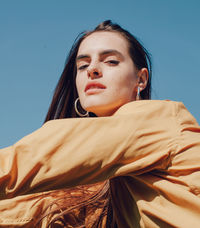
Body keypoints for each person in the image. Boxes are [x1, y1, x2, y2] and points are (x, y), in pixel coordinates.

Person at [0, 20, 199, 228]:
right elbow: (35, 210)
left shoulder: (162, 120)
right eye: (82, 65)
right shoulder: (109, 184)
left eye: (111, 61)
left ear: (141, 79)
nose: (92, 69)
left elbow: (36, 156)